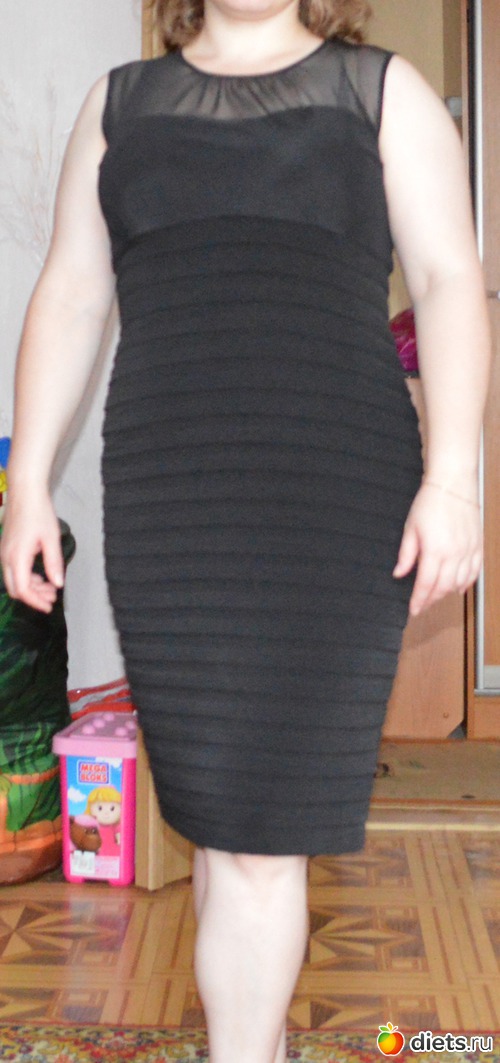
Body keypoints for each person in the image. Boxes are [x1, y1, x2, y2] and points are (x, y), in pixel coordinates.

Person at [0, 0, 491, 1058]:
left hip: (331, 497)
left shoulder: (382, 94)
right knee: (221, 819)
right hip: (172, 501)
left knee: (262, 834)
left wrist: (454, 476)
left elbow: (451, 281)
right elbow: (72, 293)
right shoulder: (118, 106)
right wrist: (27, 481)